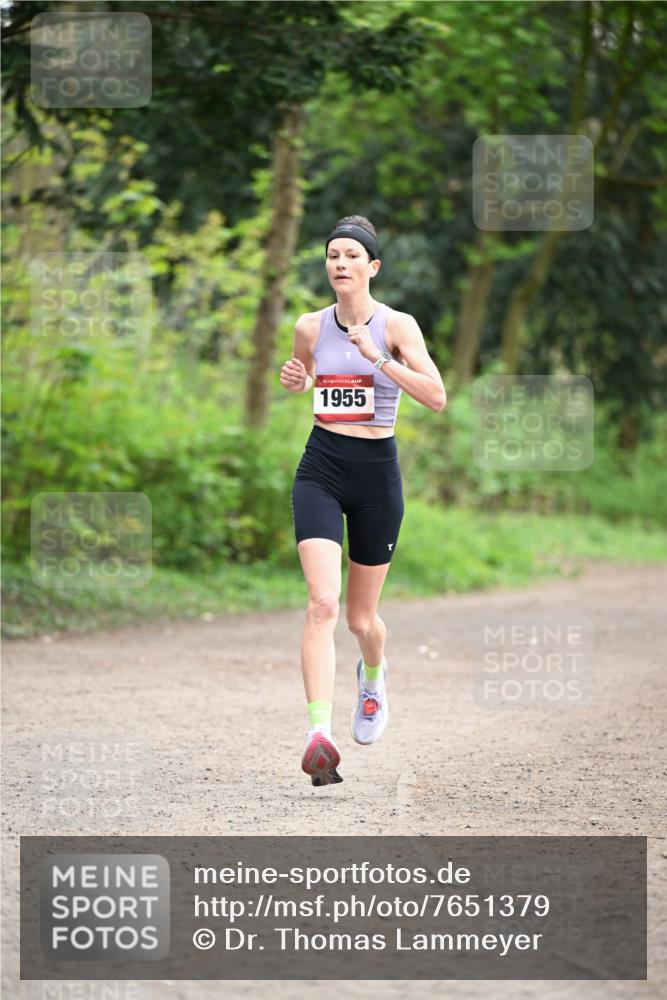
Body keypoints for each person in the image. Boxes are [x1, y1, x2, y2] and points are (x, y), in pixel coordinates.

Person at [279, 215, 446, 787]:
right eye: (332, 255)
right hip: (321, 467)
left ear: (372, 267)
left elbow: (437, 396)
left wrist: (378, 357)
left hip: (377, 477)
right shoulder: (309, 325)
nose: (340, 263)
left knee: (360, 618)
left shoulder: (398, 325)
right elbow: (309, 380)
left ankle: (372, 676)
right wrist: (297, 380)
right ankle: (317, 735)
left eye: (352, 255)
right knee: (323, 604)